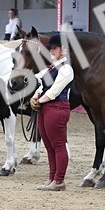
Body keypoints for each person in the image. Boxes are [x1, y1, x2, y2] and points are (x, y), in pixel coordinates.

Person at [33, 34, 74, 191]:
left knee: (57, 145)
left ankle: (59, 180)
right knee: (49, 145)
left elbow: (55, 91)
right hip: (47, 107)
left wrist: (40, 100)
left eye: (54, 48)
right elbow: (43, 86)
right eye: (50, 48)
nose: (52, 50)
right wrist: (36, 95)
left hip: (56, 107)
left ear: (63, 49)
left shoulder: (66, 69)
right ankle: (52, 178)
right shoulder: (51, 68)